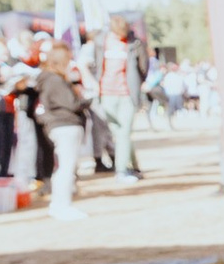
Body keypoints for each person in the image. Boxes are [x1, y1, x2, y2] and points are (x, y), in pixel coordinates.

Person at [35, 35, 88, 211]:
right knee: (66, 167)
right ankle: (61, 205)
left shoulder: (51, 79)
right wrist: (86, 100)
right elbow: (72, 104)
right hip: (64, 125)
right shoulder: (54, 80)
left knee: (64, 167)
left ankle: (60, 204)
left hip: (61, 125)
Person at [97, 17, 143, 182]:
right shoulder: (101, 42)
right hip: (106, 94)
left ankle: (122, 170)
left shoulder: (133, 43)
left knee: (124, 132)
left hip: (126, 94)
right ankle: (134, 166)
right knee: (120, 134)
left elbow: (142, 67)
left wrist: (137, 87)